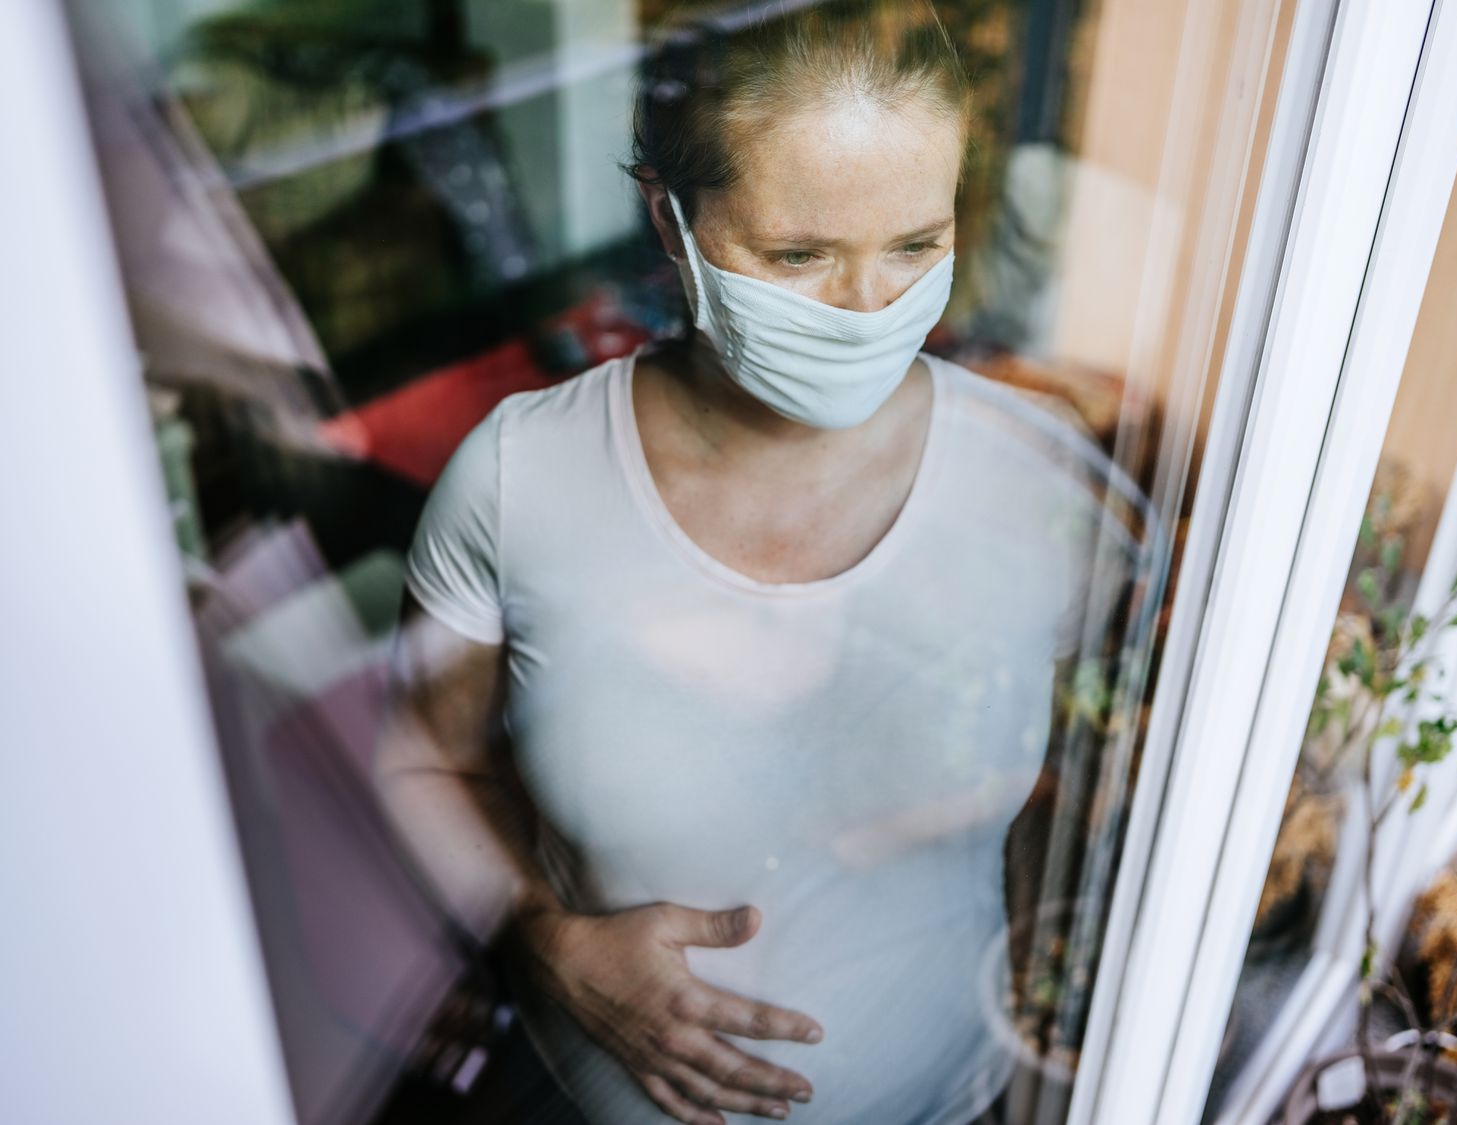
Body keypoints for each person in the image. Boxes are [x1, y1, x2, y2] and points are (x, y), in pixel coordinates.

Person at [375, 2, 1144, 1123]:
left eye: (917, 245)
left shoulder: (1035, 477)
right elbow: (425, 762)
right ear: (670, 220)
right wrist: (545, 937)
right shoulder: (519, 479)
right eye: (799, 255)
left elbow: (1101, 764)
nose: (868, 309)